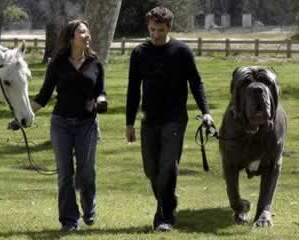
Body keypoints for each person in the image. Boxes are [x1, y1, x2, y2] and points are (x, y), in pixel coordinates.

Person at [125, 7, 214, 232]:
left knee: (168, 167)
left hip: (175, 119)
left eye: (161, 30)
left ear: (169, 28)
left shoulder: (181, 52)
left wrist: (206, 111)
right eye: (152, 29)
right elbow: (133, 90)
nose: (155, 35)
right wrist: (129, 123)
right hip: (149, 119)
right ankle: (169, 201)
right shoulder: (139, 53)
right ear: (148, 27)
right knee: (150, 170)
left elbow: (196, 83)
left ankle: (164, 216)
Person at [31, 19, 107, 232]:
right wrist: (24, 116)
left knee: (86, 171)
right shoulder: (57, 64)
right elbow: (44, 96)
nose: (87, 35)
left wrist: (101, 101)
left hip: (87, 124)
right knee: (65, 173)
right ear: (71, 37)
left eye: (87, 32)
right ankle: (69, 220)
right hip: (61, 124)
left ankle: (89, 207)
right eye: (82, 32)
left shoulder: (95, 63)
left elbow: (101, 91)